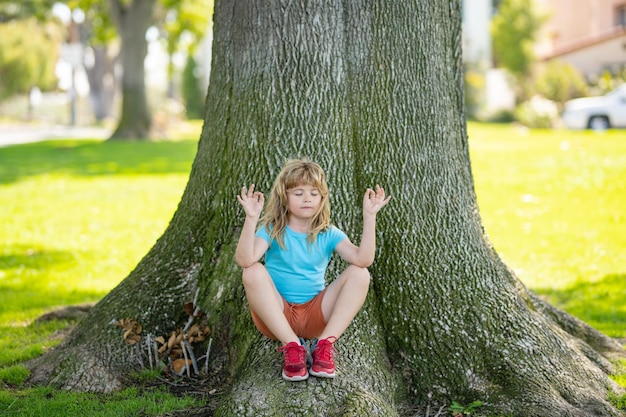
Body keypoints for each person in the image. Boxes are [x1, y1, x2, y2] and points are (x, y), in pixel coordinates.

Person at [235, 158, 391, 381]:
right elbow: (245, 259)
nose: (307, 199)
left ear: (322, 199)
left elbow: (363, 259)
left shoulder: (328, 232)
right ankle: (292, 346)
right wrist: (251, 219)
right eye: (298, 193)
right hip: (276, 315)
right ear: (284, 198)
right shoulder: (272, 229)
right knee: (251, 271)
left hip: (316, 315)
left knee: (360, 273)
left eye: (313, 193)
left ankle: (324, 346)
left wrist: (370, 217)